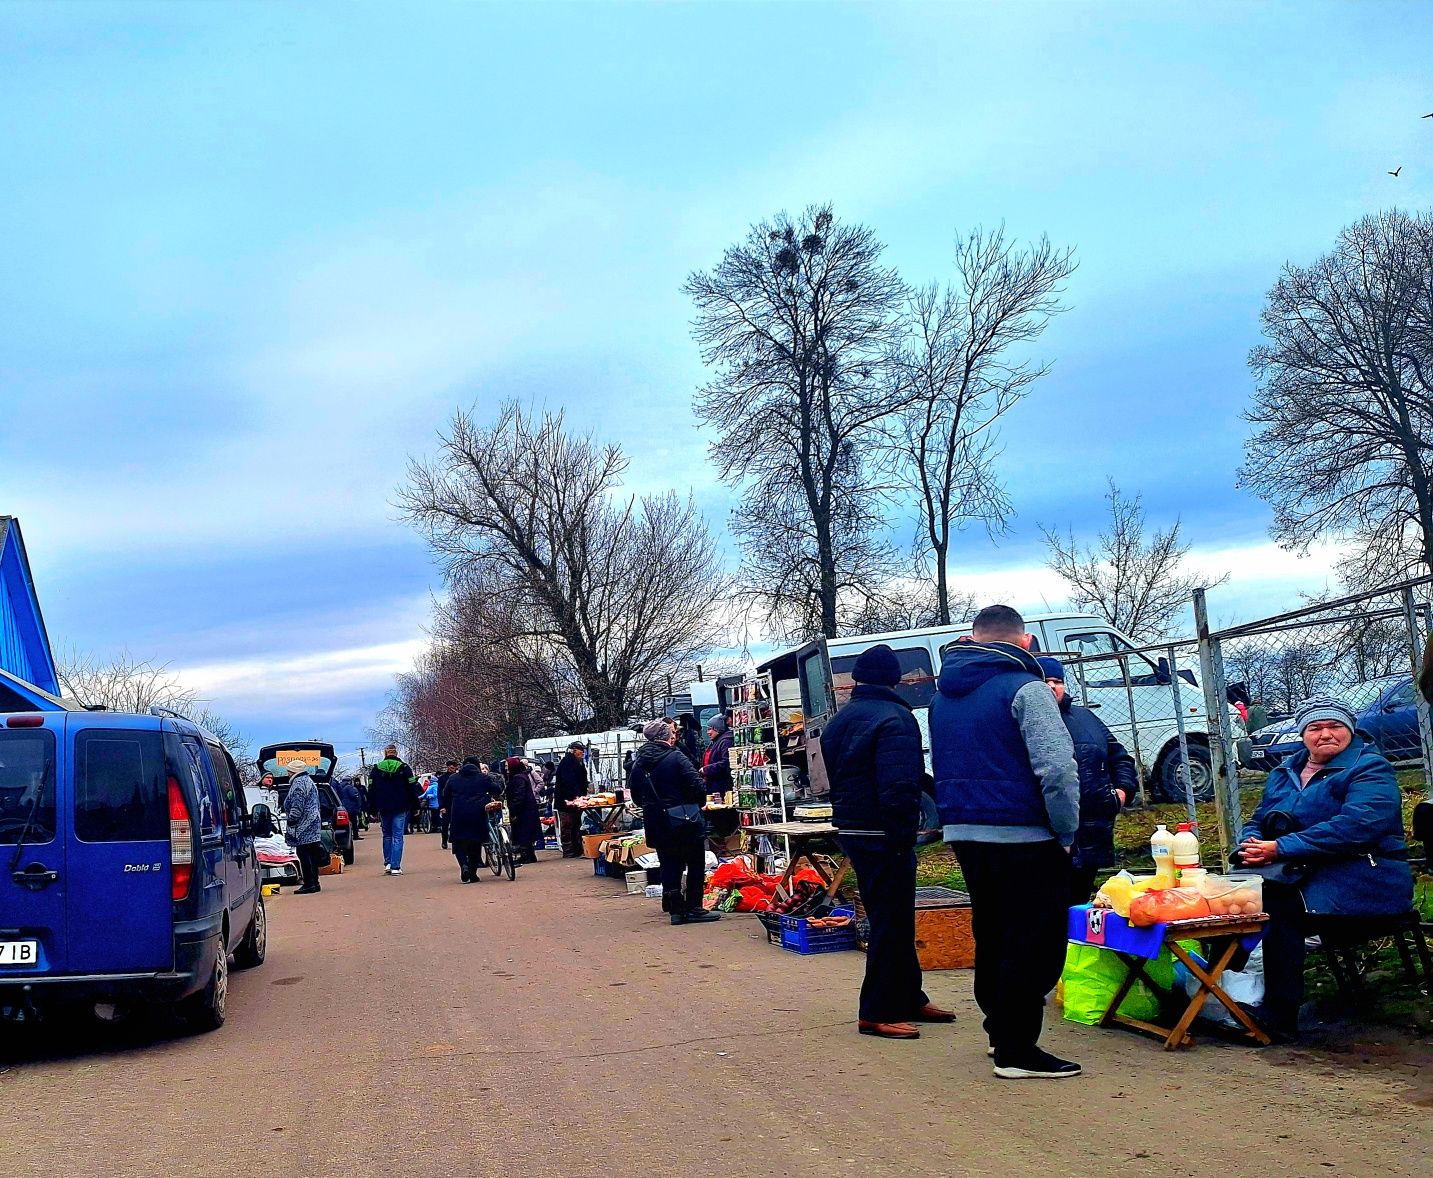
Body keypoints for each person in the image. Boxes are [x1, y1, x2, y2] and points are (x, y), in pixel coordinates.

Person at [930, 604, 1081, 1080]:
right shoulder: (1026, 688)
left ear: (973, 639)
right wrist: (1066, 830)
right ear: (1026, 642)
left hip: (965, 831)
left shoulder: (942, 696)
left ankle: (1001, 1034)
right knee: (1033, 940)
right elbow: (1057, 768)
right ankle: (1019, 1050)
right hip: (1024, 832)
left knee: (993, 933)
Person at [1234, 694, 1414, 1040]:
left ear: (1350, 730)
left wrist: (1280, 847)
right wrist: (1251, 845)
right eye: (1315, 727)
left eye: (1335, 726)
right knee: (1231, 901)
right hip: (1300, 873)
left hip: (1364, 877)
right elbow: (1259, 819)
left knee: (1276, 907)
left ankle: (1279, 1015)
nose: (1325, 734)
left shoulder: (1369, 767)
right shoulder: (1284, 772)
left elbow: (1357, 826)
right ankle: (1216, 993)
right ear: (1303, 734)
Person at [822, 644, 953, 1040]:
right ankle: (875, 1010)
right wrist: (902, 837)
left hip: (854, 829)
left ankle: (909, 995)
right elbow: (899, 785)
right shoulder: (896, 717)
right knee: (889, 922)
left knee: (894, 917)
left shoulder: (840, 721)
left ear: (858, 679)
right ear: (894, 679)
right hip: (884, 834)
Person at [1036, 656, 1137, 907]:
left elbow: (1120, 757)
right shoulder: (1027, 723)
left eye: (1057, 681)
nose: (1052, 686)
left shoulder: (1085, 718)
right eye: (1045, 681)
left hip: (1092, 835)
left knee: (1080, 907)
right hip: (1048, 840)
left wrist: (1121, 793)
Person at [627, 719, 720, 925]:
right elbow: (697, 786)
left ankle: (675, 910)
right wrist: (695, 802)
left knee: (669, 864)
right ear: (667, 736)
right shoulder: (676, 757)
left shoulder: (639, 762)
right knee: (695, 862)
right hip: (685, 819)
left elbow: (635, 796)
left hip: (657, 822)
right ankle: (695, 908)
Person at [446, 757, 505, 883]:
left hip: (458, 813)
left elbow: (445, 795)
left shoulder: (453, 778)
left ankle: (464, 865)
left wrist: (448, 807)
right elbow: (497, 790)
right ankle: (473, 873)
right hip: (478, 813)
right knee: (475, 843)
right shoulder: (483, 778)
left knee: (458, 843)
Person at [369, 744, 420, 875]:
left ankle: (388, 864)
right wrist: (415, 806)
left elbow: (371, 790)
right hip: (401, 806)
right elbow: (412, 788)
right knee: (398, 836)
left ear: (385, 754)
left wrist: (372, 809)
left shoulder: (376, 769)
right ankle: (396, 867)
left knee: (387, 835)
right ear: (396, 754)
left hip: (383, 806)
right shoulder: (404, 768)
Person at [283, 759, 327, 895]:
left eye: (288, 771)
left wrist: (291, 820)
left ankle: (309, 883)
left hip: (303, 825)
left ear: (293, 772)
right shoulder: (308, 781)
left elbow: (297, 806)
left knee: (303, 853)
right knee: (312, 854)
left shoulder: (298, 784)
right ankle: (315, 882)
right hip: (312, 822)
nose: (287, 774)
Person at [504, 756, 543, 864]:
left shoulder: (517, 778)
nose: (506, 768)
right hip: (527, 809)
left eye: (507, 766)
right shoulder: (521, 776)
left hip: (523, 811)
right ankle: (529, 855)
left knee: (523, 833)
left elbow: (519, 795)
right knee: (526, 833)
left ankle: (526, 855)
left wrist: (515, 810)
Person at [554, 742, 589, 858]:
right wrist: (577, 795)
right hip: (566, 800)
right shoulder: (567, 763)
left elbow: (582, 780)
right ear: (573, 751)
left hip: (576, 799)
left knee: (575, 824)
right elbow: (568, 781)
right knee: (568, 825)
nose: (582, 752)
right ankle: (568, 849)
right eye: (580, 750)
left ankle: (576, 848)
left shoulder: (578, 763)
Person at [701, 715, 734, 802]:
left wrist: (706, 769)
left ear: (717, 729)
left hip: (722, 786)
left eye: (710, 729)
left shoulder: (726, 741)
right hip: (714, 785)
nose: (708, 732)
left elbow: (726, 762)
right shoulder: (716, 741)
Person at [436, 759, 459, 849]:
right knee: (445, 824)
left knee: (456, 824)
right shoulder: (442, 778)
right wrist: (441, 806)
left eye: (453, 767)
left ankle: (455, 841)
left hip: (457, 804)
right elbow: (439, 793)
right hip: (447, 804)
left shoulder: (458, 777)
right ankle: (444, 841)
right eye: (450, 767)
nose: (451, 768)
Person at [335, 775, 366, 843]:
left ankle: (347, 836)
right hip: (351, 807)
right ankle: (355, 835)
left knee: (345, 823)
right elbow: (353, 795)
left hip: (343, 808)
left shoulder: (339, 787)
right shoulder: (349, 787)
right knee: (354, 822)